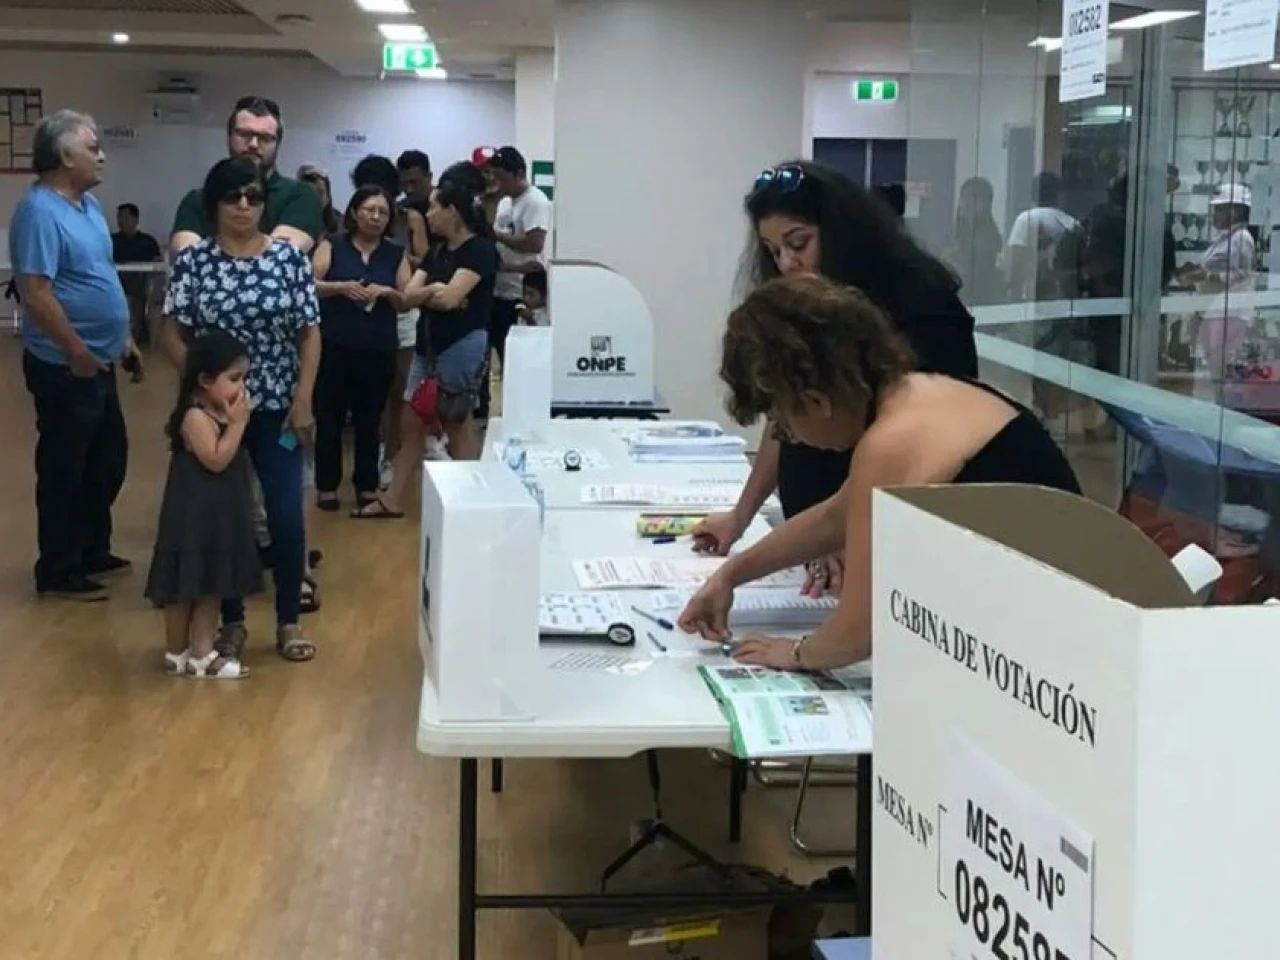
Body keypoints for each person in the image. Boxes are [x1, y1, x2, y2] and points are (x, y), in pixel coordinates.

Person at [678, 274, 1081, 670]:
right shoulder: (919, 389)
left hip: (1062, 647)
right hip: (1061, 616)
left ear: (817, 402)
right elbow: (834, 519)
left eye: (783, 424)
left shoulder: (891, 441)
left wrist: (794, 652)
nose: (792, 438)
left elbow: (856, 634)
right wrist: (730, 575)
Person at [692, 161, 978, 597]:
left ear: (841, 232)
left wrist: (848, 536)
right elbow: (782, 415)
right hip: (826, 538)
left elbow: (918, 460)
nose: (787, 263)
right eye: (773, 251)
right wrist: (741, 517)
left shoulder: (922, 305)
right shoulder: (809, 305)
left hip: (881, 538)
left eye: (798, 243)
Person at [160, 156, 321, 664]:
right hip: (215, 416)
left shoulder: (288, 260)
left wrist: (304, 398)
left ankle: (289, 619)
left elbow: (309, 333)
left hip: (276, 409)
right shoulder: (195, 262)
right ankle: (231, 622)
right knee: (227, 521)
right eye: (233, 197)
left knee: (286, 517)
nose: (244, 206)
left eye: (254, 196)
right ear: (214, 205)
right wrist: (206, 388)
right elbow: (172, 330)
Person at [13, 109, 141, 601]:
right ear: (65, 155)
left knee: (106, 460)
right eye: (92, 147)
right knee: (66, 467)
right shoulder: (39, 212)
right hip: (65, 365)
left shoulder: (87, 206)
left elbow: (99, 275)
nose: (101, 155)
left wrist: (123, 338)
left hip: (99, 359)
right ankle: (59, 568)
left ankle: (91, 549)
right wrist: (76, 350)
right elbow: (37, 293)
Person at [354, 181, 498, 518]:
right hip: (427, 347)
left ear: (452, 211)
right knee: (412, 423)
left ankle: (476, 499)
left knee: (455, 422)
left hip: (461, 346)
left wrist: (436, 295)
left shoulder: (480, 250)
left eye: (434, 207)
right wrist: (435, 289)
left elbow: (449, 300)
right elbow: (407, 298)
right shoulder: (436, 252)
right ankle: (392, 498)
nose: (428, 215)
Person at [145, 330, 262, 680]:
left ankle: (200, 649)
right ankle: (179, 651)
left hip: (218, 514)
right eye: (234, 379)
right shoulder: (196, 417)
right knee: (183, 586)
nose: (241, 388)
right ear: (205, 380)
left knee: (212, 583)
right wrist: (238, 425)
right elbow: (215, 459)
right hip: (193, 514)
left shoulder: (218, 412)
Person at [312, 185, 410, 511]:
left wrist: (387, 292)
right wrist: (340, 287)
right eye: (370, 210)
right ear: (354, 212)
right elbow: (309, 285)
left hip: (378, 347)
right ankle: (327, 485)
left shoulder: (395, 253)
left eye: (383, 212)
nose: (376, 217)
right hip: (334, 344)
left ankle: (366, 484)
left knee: (370, 418)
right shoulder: (332, 245)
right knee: (330, 416)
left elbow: (406, 299)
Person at [171, 96, 323, 255]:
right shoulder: (197, 199)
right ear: (229, 137)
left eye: (265, 138)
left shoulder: (299, 196)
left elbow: (281, 258)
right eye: (244, 134)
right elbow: (187, 257)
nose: (253, 144)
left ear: (277, 144)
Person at [478, 146, 552, 420]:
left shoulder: (536, 201)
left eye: (502, 177)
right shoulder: (504, 203)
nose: (498, 183)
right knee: (489, 357)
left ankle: (518, 414)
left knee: (514, 359)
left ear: (519, 173)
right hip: (498, 288)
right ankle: (485, 410)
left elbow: (534, 243)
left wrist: (495, 236)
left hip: (520, 292)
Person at [111, 202, 162, 346]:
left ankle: (138, 335)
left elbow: (157, 264)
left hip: (142, 284)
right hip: (116, 284)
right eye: (119, 218)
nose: (121, 222)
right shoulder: (112, 240)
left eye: (124, 217)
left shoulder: (148, 241)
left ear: (135, 219)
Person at [297, 163, 340, 239]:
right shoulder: (288, 224)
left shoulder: (341, 226)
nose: (315, 198)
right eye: (310, 193)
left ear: (328, 198)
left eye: (320, 192)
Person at [397, 149, 433, 217]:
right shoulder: (400, 210)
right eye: (404, 183)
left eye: (414, 182)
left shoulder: (447, 205)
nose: (409, 190)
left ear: (429, 177)